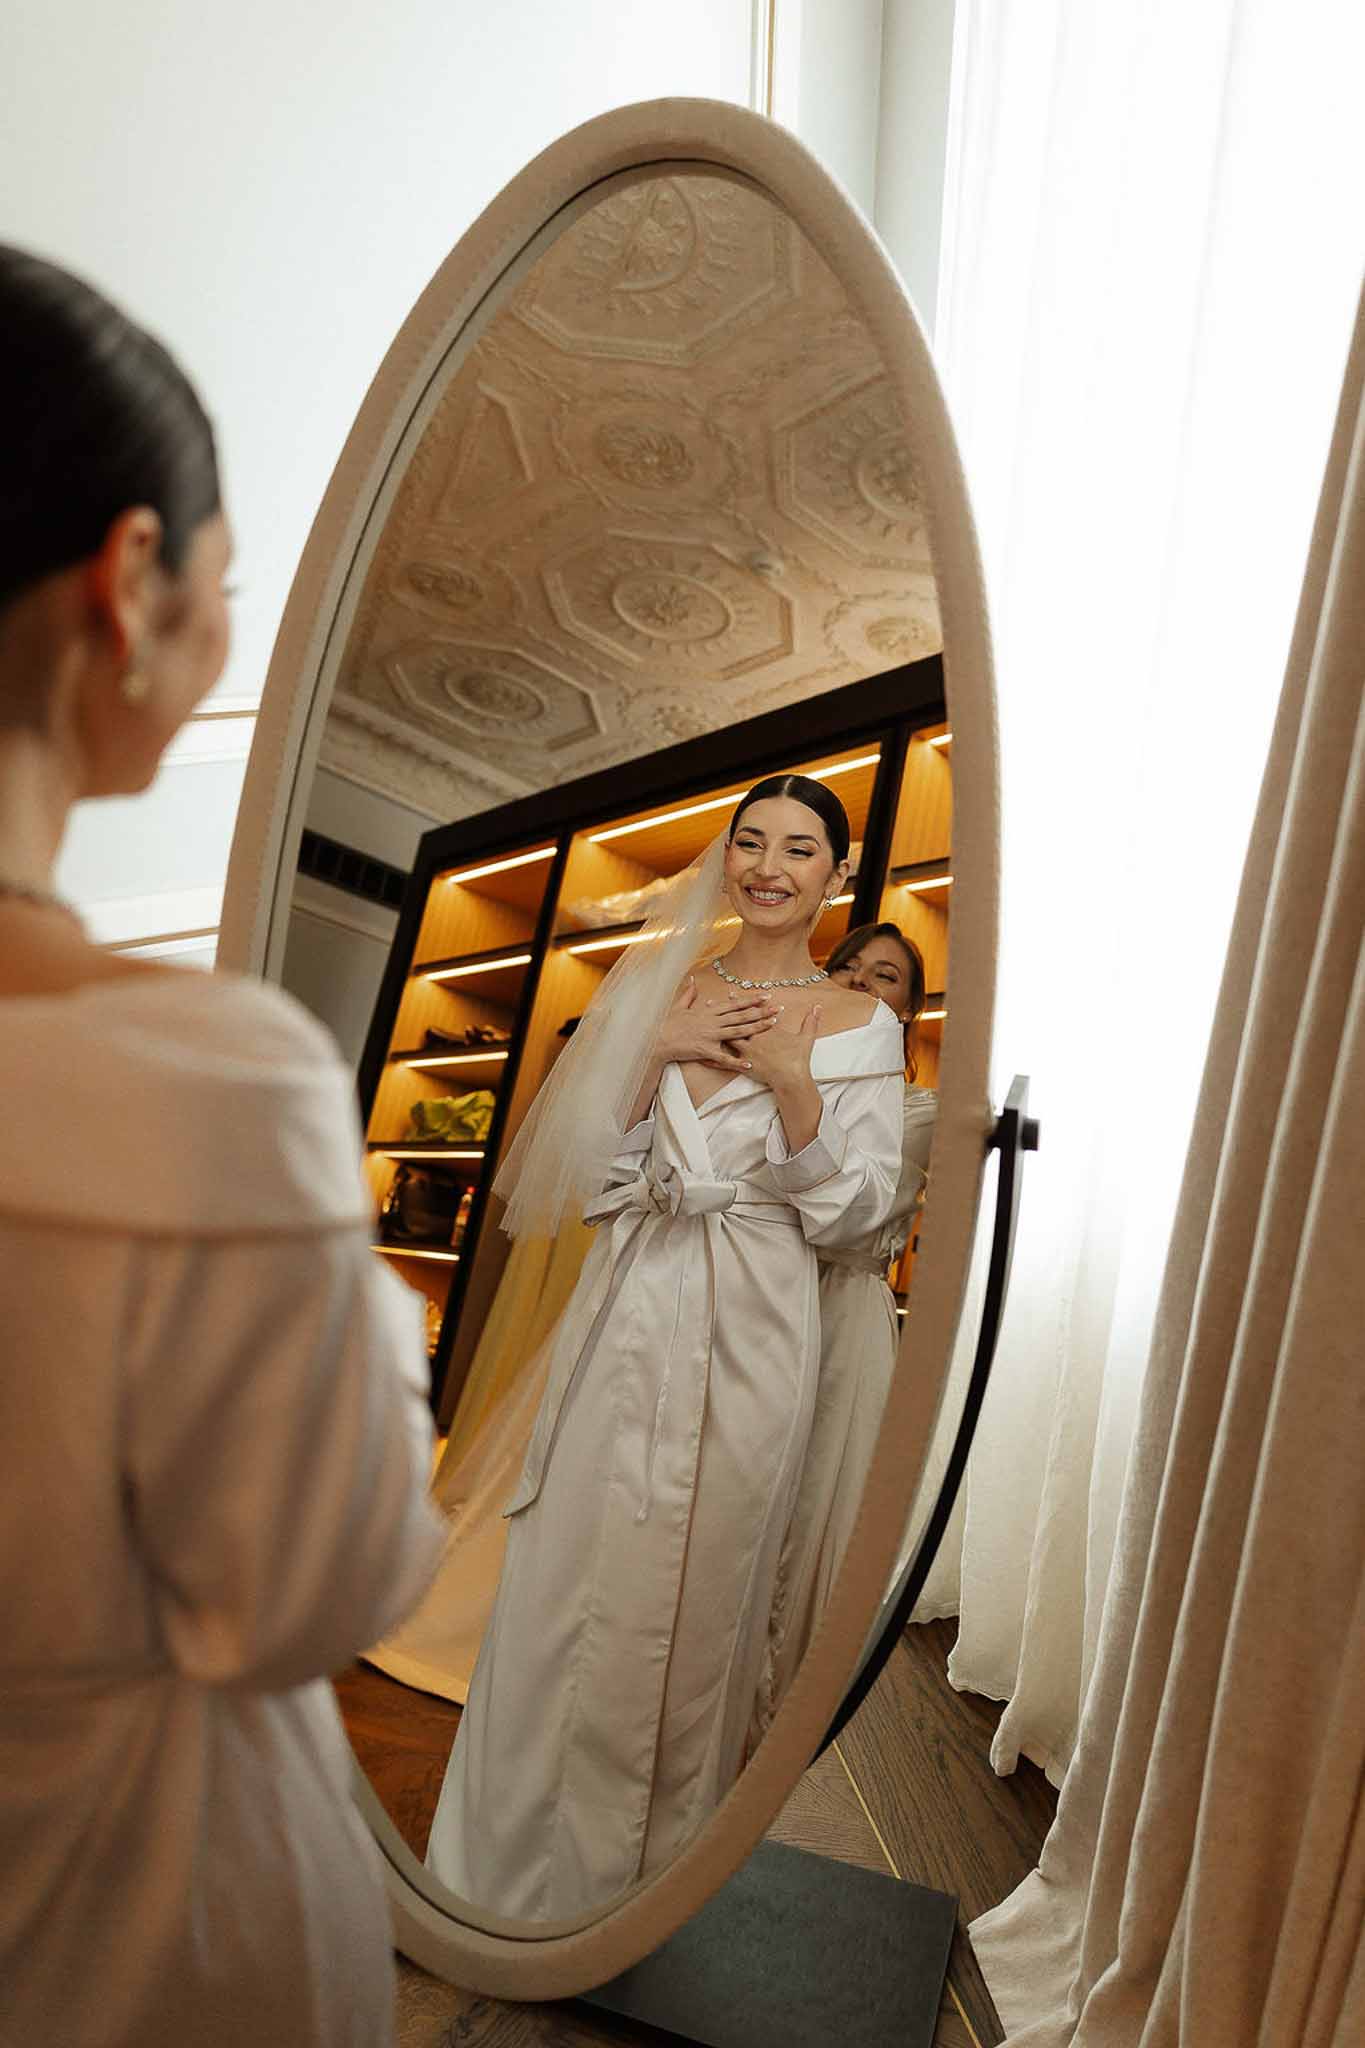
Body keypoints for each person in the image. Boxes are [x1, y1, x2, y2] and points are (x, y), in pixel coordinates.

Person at [0, 248, 445, 2048]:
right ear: (127, 583)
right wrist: (387, 1345)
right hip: (131, 1917)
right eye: (224, 585)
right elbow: (315, 1589)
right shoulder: (204, 1094)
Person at [424, 774, 906, 1920]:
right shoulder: (660, 988)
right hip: (628, 1311)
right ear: (725, 858)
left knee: (705, 1585)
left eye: (800, 847)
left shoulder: (863, 1025)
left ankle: (651, 1891)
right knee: (570, 1570)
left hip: (756, 1324)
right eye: (750, 841)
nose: (770, 864)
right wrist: (656, 1054)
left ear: (837, 874)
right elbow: (583, 1182)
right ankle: (501, 1872)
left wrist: (795, 1093)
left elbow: (865, 1223)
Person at [758, 920, 938, 1726]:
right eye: (848, 966)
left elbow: (854, 1222)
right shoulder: (776, 1071)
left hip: (839, 1308)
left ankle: (786, 1707)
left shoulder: (917, 1110)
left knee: (810, 1503)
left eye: (887, 975)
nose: (863, 981)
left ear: (909, 1009)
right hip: (757, 1293)